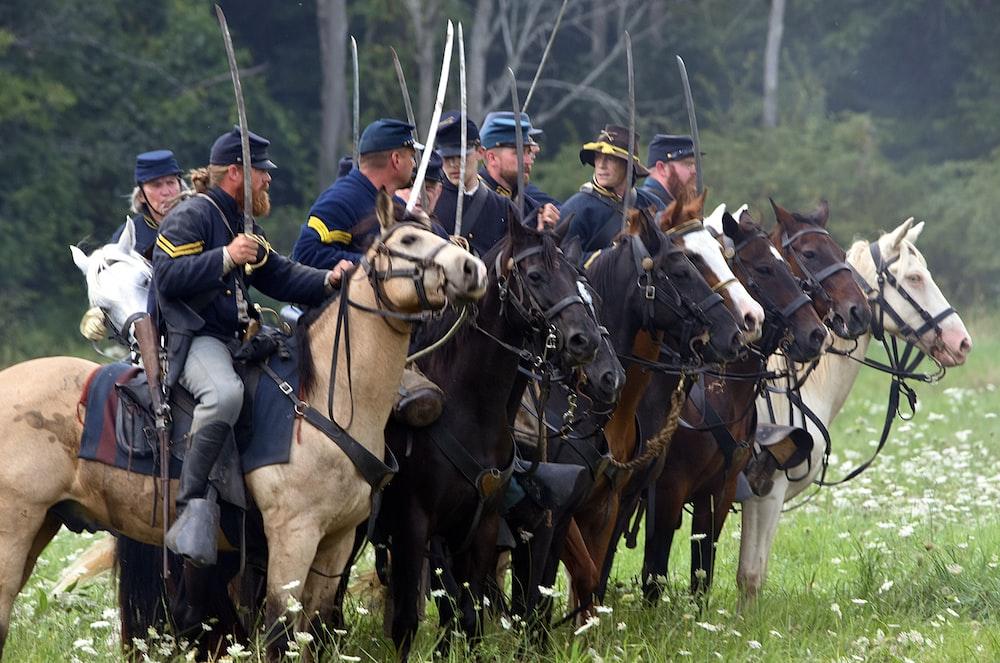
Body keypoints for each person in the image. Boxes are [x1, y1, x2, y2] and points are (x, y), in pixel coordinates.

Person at [153, 126, 339, 566]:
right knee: (224, 396)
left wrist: (330, 280)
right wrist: (224, 258)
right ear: (237, 173)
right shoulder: (193, 215)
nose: (269, 179)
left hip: (238, 338)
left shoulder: (240, 221)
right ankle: (194, 503)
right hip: (196, 338)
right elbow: (167, 277)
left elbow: (278, 274)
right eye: (263, 172)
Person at [292, 119, 444, 429]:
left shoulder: (385, 200)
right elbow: (305, 255)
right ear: (395, 160)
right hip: (345, 339)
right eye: (410, 156)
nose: (414, 164)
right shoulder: (343, 199)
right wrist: (371, 263)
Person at [79, 150, 186, 342]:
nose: (167, 191)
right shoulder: (128, 235)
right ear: (142, 195)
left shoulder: (202, 220)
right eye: (156, 185)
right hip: (149, 337)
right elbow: (112, 284)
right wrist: (96, 312)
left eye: (171, 182)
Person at [562, 124, 664, 256]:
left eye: (610, 158)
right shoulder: (575, 209)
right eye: (598, 157)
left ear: (628, 166)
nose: (601, 165)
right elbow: (565, 264)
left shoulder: (651, 203)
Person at [432, 110, 518, 256]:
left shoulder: (503, 207)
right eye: (447, 157)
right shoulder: (430, 203)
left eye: (461, 156)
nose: (453, 164)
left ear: (480, 152)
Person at [478, 111, 560, 231]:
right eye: (519, 153)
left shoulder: (531, 210)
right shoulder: (469, 200)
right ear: (492, 158)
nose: (528, 161)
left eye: (528, 152)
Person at [639, 133, 699, 208]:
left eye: (694, 165)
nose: (694, 171)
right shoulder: (645, 206)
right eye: (687, 164)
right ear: (662, 168)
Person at [395, 150, 446, 216]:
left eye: (427, 188)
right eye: (410, 187)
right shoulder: (380, 223)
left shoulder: (444, 222)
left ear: (438, 191)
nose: (419, 195)